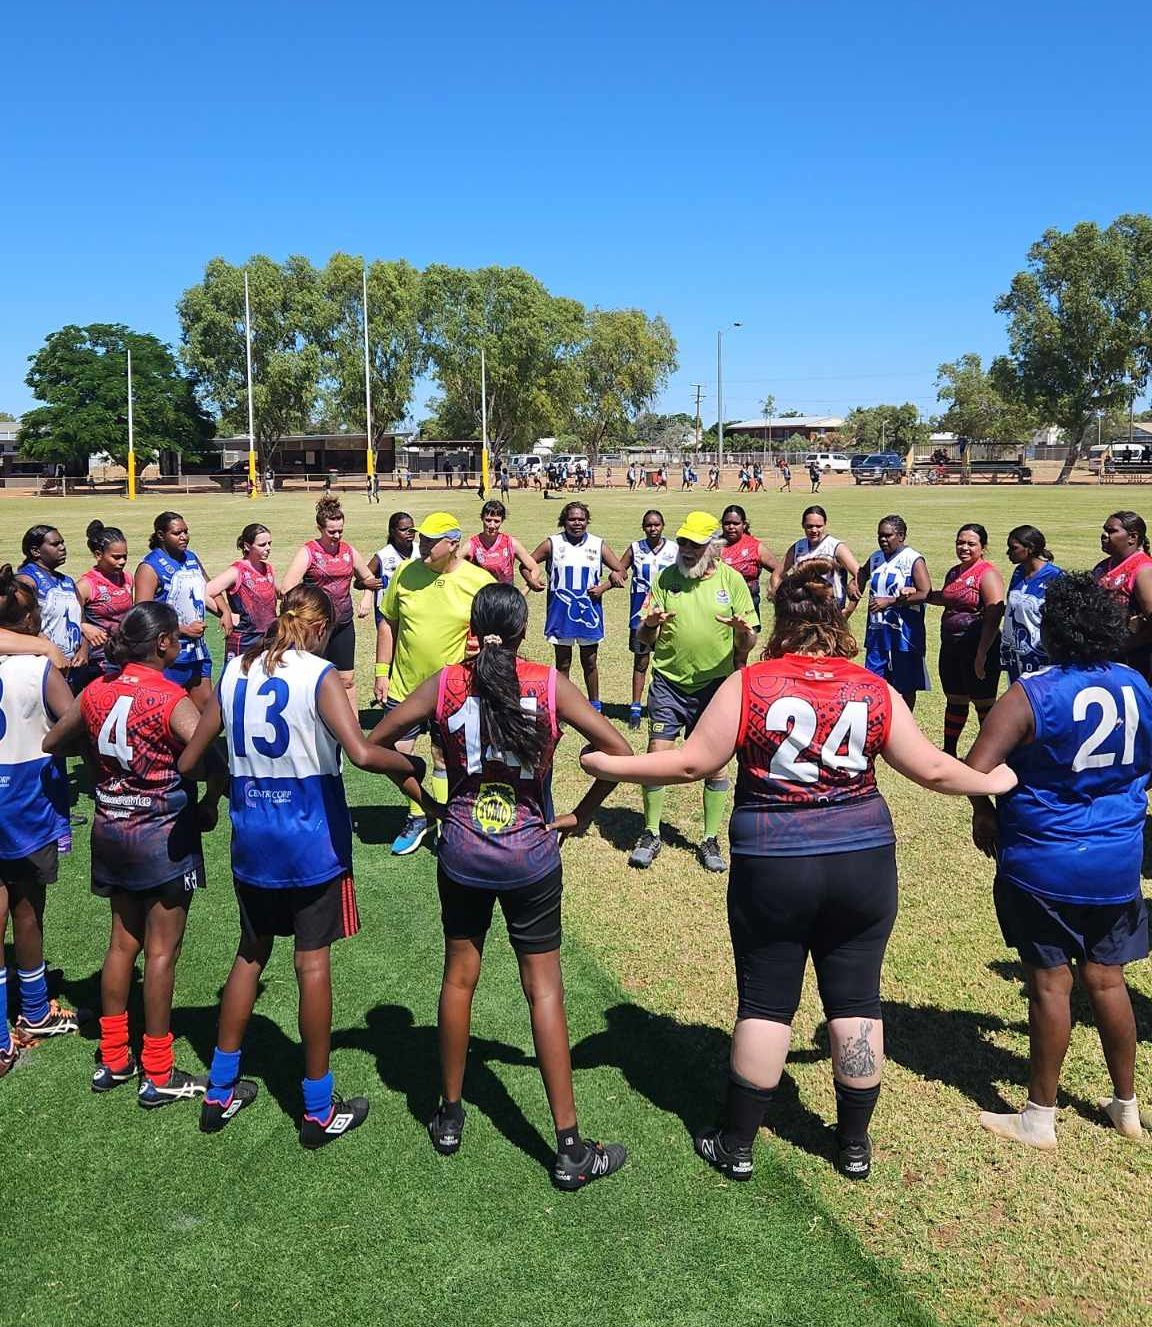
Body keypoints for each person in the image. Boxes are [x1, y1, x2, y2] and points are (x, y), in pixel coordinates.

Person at [581, 558, 1016, 1180]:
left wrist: (609, 767)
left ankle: (736, 1144)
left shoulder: (751, 683)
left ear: (782, 621)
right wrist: (990, 779)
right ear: (840, 621)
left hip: (773, 859)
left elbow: (689, 764)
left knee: (765, 1002)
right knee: (857, 999)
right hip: (862, 857)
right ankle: (855, 1144)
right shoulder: (871, 687)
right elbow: (935, 770)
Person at [369, 583, 633, 1188]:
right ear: (523, 632)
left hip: (461, 849)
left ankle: (450, 1114)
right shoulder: (545, 682)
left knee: (459, 978)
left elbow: (378, 743)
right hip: (531, 853)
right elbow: (615, 748)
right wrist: (583, 813)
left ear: (473, 626)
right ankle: (568, 1145)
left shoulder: (446, 682)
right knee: (543, 990)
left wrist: (426, 800)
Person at [178, 586, 425, 1146]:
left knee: (250, 955)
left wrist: (227, 780)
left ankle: (219, 1090)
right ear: (320, 629)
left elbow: (191, 756)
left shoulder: (235, 669)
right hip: (311, 839)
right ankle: (317, 1107)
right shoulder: (318, 674)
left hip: (252, 839)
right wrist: (410, 763)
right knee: (311, 965)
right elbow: (360, 753)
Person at [967, 573, 1152, 1149]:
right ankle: (1126, 1106)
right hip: (1118, 856)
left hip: (1044, 857)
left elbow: (977, 768)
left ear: (1052, 627)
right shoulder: (1138, 683)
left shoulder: (1033, 691)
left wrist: (985, 812)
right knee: (1108, 979)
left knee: (1051, 985)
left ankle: (1039, 1117)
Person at [45, 602, 219, 1104]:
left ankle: (115, 1058)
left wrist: (102, 760)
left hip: (111, 828)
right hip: (161, 835)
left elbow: (53, 739)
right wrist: (208, 795)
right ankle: (159, 1071)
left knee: (122, 944)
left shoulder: (98, 690)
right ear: (163, 642)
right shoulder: (168, 696)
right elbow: (203, 759)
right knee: (162, 951)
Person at [626, 513, 757, 874]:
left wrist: (743, 632)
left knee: (714, 765)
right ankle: (651, 832)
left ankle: (710, 838)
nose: (685, 551)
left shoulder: (731, 582)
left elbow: (748, 643)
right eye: (682, 543)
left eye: (694, 546)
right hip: (669, 682)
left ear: (713, 549)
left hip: (715, 686)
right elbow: (644, 639)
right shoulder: (666, 578)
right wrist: (649, 625)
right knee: (656, 759)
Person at [375, 513, 493, 855]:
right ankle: (420, 813)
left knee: (445, 760)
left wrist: (480, 648)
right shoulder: (404, 573)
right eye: (419, 539)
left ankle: (444, 820)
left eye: (429, 541)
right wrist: (382, 671)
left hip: (452, 690)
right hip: (404, 687)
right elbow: (389, 624)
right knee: (394, 757)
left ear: (453, 544)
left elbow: (497, 629)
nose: (420, 546)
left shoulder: (479, 581)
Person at [0, 566, 77, 1073]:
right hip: (26, 796)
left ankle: (18, 1020)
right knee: (28, 905)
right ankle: (31, 1011)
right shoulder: (36, 668)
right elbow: (74, 719)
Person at [280, 496, 381, 715]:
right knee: (311, 678)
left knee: (346, 679)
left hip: (343, 624)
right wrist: (307, 611)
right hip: (315, 628)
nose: (336, 536)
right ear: (320, 528)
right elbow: (287, 588)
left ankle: (352, 728)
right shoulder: (309, 551)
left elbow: (369, 578)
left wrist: (366, 597)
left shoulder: (348, 551)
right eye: (331, 531)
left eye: (340, 531)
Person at [530, 502, 626, 711]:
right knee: (563, 662)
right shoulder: (552, 544)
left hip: (589, 611)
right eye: (572, 519)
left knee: (589, 661)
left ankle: (595, 706)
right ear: (564, 521)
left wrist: (604, 587)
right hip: (561, 612)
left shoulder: (597, 544)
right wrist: (531, 581)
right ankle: (562, 707)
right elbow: (527, 564)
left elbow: (621, 571)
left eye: (581, 519)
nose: (577, 523)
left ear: (587, 521)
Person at [926, 524, 1005, 756]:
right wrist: (922, 595)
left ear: (983, 547)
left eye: (971, 544)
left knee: (983, 702)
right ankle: (949, 752)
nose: (964, 547)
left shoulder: (987, 573)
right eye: (960, 542)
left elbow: (993, 615)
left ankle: (992, 756)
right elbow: (948, 597)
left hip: (978, 646)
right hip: (951, 645)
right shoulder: (955, 572)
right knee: (955, 699)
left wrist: (982, 653)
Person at [134, 511, 220, 710]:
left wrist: (226, 613)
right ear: (161, 536)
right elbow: (143, 614)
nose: (184, 536)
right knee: (167, 708)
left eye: (186, 532)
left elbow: (207, 591)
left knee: (207, 707)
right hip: (167, 652)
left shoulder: (191, 558)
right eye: (177, 533)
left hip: (196, 649)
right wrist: (181, 629)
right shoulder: (150, 567)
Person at [859, 515, 931, 710]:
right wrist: (855, 582)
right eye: (880, 536)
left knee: (905, 686)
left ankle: (904, 726)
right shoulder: (875, 557)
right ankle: (879, 722)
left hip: (904, 635)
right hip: (877, 633)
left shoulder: (913, 559)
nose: (883, 539)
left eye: (887, 535)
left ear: (901, 536)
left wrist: (890, 602)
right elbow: (863, 572)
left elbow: (925, 592)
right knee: (874, 682)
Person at [618, 510, 678, 731]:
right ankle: (635, 707)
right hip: (640, 613)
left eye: (657, 525)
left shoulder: (674, 549)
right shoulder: (636, 548)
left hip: (668, 612)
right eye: (648, 525)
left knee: (667, 662)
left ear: (663, 526)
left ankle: (665, 706)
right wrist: (615, 577)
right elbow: (620, 569)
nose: (653, 529)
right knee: (641, 661)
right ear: (643, 527)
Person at [16, 525, 86, 676]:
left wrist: (84, 649)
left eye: (62, 543)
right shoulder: (26, 581)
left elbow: (82, 621)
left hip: (72, 666)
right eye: (55, 544)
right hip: (42, 667)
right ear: (35, 551)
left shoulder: (67, 581)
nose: (62, 548)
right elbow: (20, 625)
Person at [204, 523, 278, 664]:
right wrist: (226, 614)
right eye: (262, 545)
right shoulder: (237, 571)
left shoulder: (268, 569)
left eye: (269, 543)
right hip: (244, 639)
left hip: (269, 637)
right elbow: (206, 592)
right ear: (247, 546)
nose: (268, 548)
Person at [74, 521, 134, 691]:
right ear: (99, 554)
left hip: (123, 655)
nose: (122, 562)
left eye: (125, 556)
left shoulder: (127, 578)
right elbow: (68, 621)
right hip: (97, 661)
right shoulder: (86, 585)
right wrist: (84, 627)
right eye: (116, 557)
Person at [1092, 510, 1152, 679]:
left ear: (1132, 537)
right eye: (1104, 530)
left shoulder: (1143, 570)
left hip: (1135, 665)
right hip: (1103, 660)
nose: (1104, 535)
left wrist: (1124, 646)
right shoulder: (1102, 567)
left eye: (1111, 531)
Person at [1001, 525, 1062, 683]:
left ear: (1030, 548)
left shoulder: (1056, 577)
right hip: (1016, 654)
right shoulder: (1018, 573)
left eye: (1013, 548)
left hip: (1042, 656)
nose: (1008, 552)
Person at [774, 507, 861, 615]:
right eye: (809, 526)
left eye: (818, 526)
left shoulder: (836, 547)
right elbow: (776, 575)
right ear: (802, 525)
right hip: (802, 610)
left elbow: (860, 575)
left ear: (825, 524)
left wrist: (849, 609)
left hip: (830, 610)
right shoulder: (797, 547)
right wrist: (781, 602)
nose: (814, 530)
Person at [463, 501, 545, 589]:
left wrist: (522, 593)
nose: (492, 525)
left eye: (496, 521)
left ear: (502, 521)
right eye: (488, 520)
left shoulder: (510, 543)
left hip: (506, 600)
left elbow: (535, 568)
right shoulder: (472, 544)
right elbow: (452, 566)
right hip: (482, 600)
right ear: (482, 518)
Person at [720, 506, 780, 619]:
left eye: (736, 523)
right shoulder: (713, 546)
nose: (731, 527)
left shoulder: (754, 546)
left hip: (748, 605)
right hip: (720, 605)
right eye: (727, 523)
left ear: (744, 525)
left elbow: (779, 570)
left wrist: (774, 588)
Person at [358, 510, 415, 625]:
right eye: (403, 530)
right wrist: (365, 584)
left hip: (415, 609)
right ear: (392, 531)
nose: (409, 533)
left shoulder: (421, 552)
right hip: (387, 612)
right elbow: (358, 582)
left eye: (412, 529)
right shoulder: (382, 556)